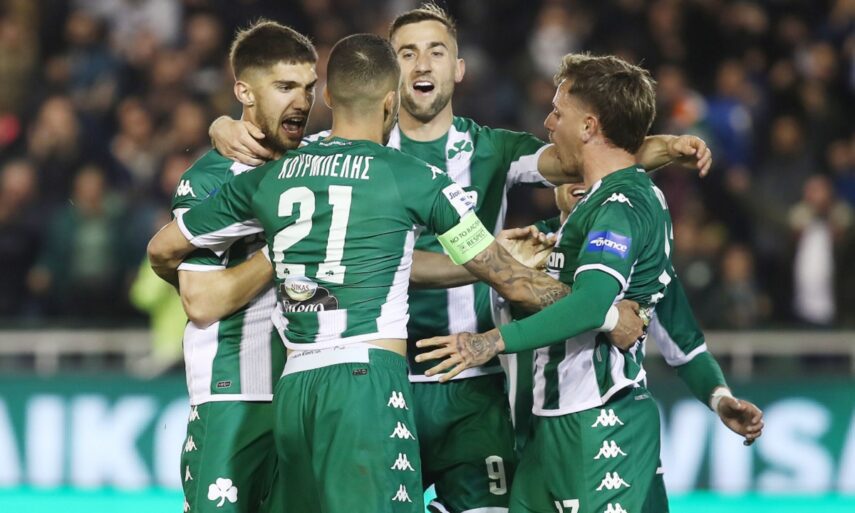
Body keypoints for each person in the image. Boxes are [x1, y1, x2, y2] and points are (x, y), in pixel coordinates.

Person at [208, 5, 712, 512]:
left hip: (472, 390)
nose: (423, 64)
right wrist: (223, 128)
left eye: (436, 51)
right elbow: (261, 151)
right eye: (407, 53)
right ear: (389, 74)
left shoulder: (494, 150)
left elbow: (589, 151)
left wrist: (664, 146)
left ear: (459, 68)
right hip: (383, 379)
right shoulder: (335, 151)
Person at [147, 33, 591, 513]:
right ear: (390, 102)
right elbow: (513, 281)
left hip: (294, 388)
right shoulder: (418, 179)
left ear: (328, 96)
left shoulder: (273, 175)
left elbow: (162, 248)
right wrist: (600, 307)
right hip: (365, 383)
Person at [415, 54, 763, 513]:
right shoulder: (563, 229)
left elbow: (595, 304)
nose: (548, 123)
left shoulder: (622, 205)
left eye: (557, 112)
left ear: (588, 127)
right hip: (542, 433)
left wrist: (489, 342)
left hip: (598, 424)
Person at [168, 21, 317, 513]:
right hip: (234, 393)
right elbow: (201, 301)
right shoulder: (209, 178)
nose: (302, 101)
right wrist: (281, 249)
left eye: (309, 87)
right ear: (244, 92)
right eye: (285, 86)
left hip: (310, 390)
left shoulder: (318, 163)